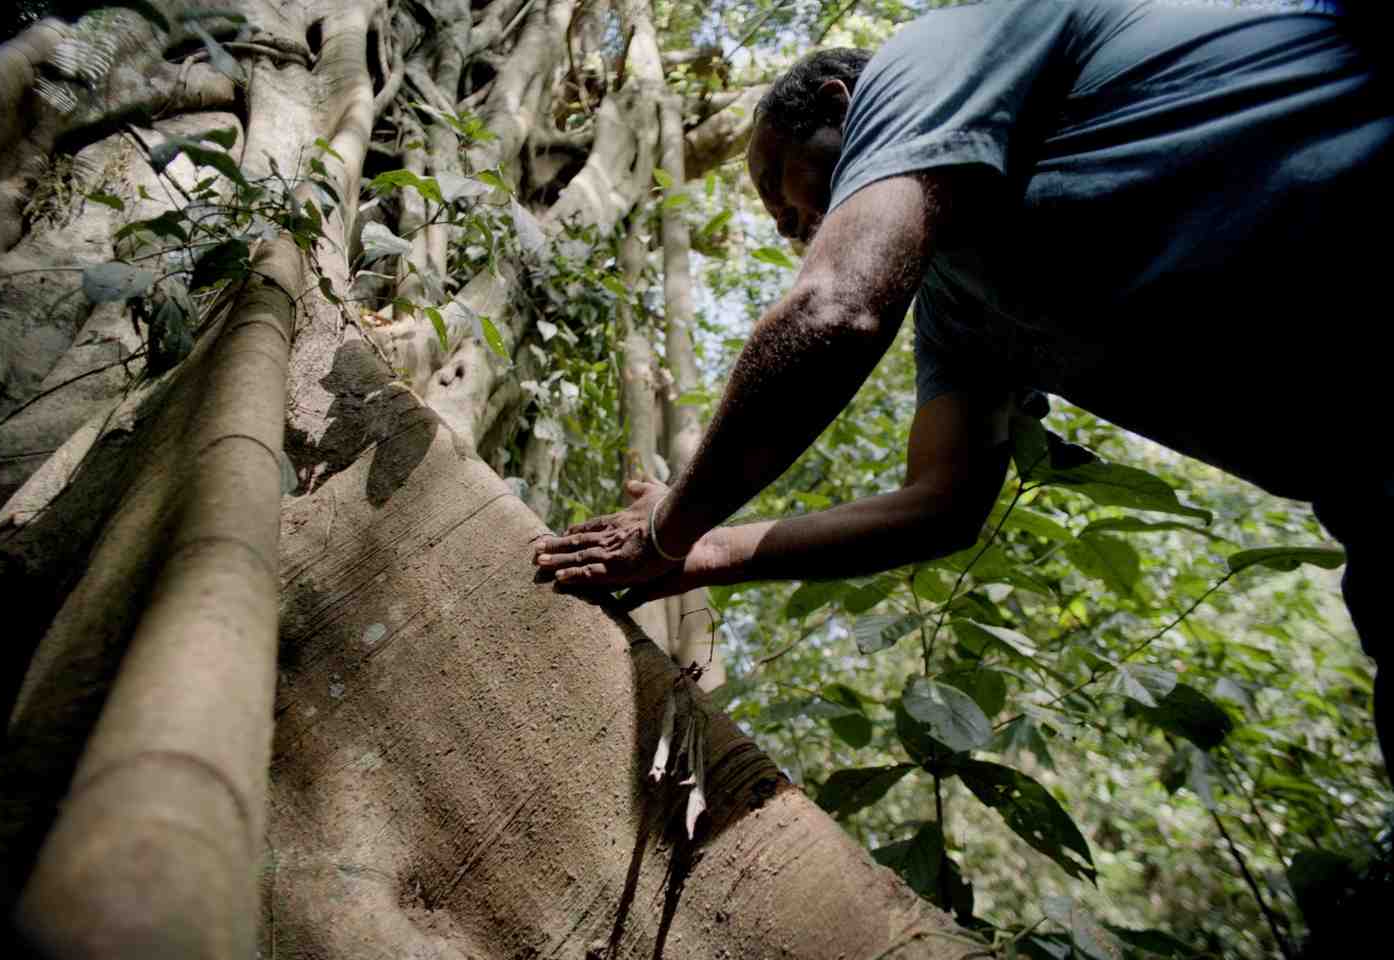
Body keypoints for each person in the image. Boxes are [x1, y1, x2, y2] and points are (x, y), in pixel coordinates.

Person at [531, 0, 1391, 762]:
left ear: (841, 107)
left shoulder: (935, 53)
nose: (795, 230)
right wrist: (708, 551)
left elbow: (835, 309)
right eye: (787, 228)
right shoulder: (959, 306)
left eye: (783, 196)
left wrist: (672, 524)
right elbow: (941, 502)